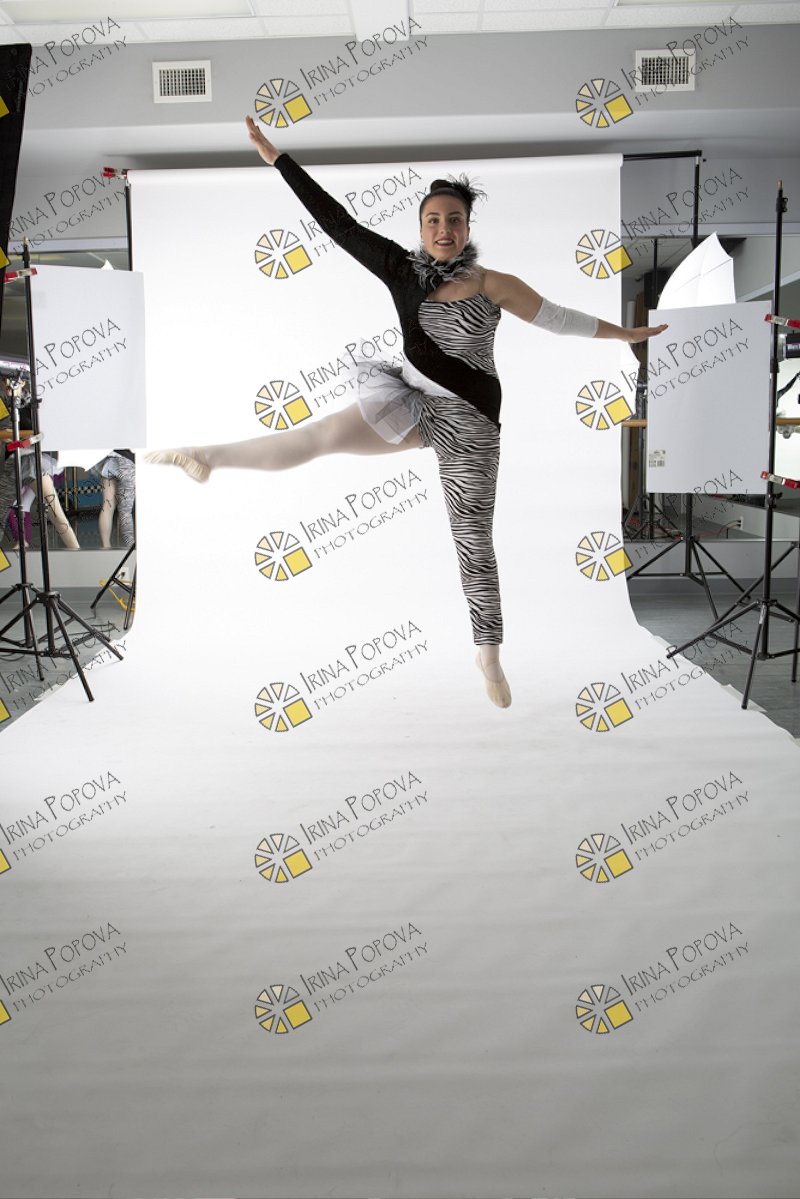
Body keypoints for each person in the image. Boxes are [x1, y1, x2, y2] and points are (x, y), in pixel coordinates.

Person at [148, 117, 668, 708]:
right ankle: (206, 456)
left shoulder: (494, 284)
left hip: (471, 420)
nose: (444, 229)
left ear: (468, 227)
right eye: (433, 220)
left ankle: (489, 654)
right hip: (412, 405)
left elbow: (558, 318)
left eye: (454, 220)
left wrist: (625, 332)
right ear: (421, 228)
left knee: (473, 539)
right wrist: (279, 161)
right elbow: (338, 224)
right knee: (320, 436)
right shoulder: (400, 269)